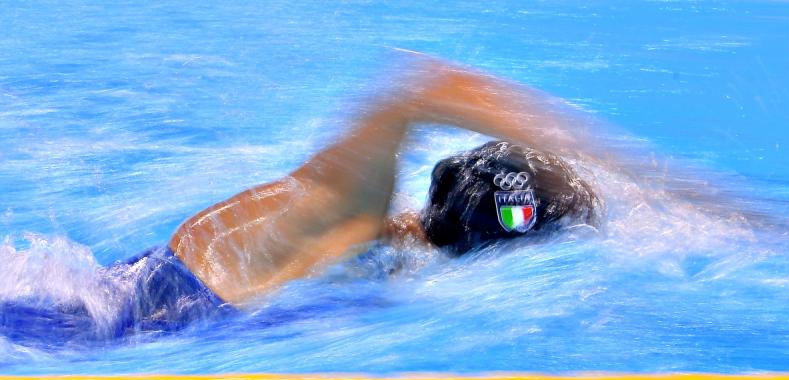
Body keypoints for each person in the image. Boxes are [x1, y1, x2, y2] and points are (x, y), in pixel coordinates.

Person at [125, 56, 603, 332]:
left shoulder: (380, 254)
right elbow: (421, 89)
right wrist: (633, 166)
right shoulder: (346, 213)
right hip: (112, 326)